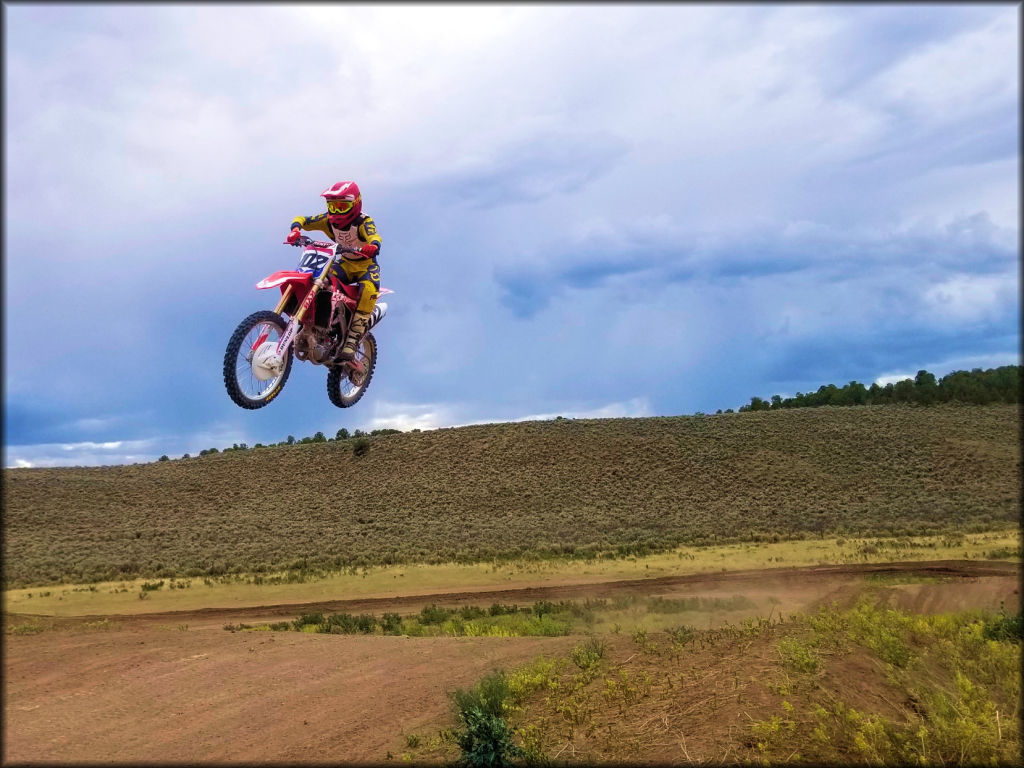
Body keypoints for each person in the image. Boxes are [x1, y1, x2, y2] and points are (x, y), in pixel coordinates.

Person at [286, 181, 382, 360]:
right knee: (321, 282)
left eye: (341, 207)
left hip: (366, 266)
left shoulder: (363, 221)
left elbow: (374, 236)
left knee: (368, 290)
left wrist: (373, 245)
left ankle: (353, 339)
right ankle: (319, 323)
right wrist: (295, 230)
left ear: (355, 204)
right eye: (332, 206)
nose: (336, 212)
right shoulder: (328, 221)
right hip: (345, 264)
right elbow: (302, 219)